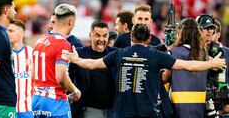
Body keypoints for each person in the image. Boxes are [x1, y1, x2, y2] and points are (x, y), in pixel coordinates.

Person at [67, 23, 226, 118]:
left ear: (131, 37)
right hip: (147, 112)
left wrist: (76, 60)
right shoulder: (156, 56)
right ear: (149, 39)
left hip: (122, 113)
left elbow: (92, 64)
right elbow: (188, 65)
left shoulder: (119, 54)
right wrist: (210, 63)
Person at [32, 3, 81, 118]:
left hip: (37, 100)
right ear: (70, 22)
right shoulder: (63, 43)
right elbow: (60, 77)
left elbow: (33, 74)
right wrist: (74, 90)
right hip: (55, 103)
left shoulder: (40, 41)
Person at [69, 20, 117, 118]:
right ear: (90, 35)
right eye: (97, 35)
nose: (101, 39)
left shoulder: (115, 54)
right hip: (89, 108)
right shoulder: (78, 54)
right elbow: (68, 77)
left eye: (105, 36)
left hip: (112, 109)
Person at [168, 18, 208, 118]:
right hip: (199, 108)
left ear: (180, 33)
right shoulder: (204, 55)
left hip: (177, 108)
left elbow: (164, 77)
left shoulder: (173, 53)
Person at [196, 14, 224, 118]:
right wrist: (211, 62)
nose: (209, 31)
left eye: (211, 28)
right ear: (198, 30)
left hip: (215, 99)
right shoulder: (191, 48)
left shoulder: (217, 49)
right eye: (206, 28)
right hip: (195, 96)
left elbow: (220, 66)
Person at [8, 19, 34, 118]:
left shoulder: (32, 53)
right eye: (7, 30)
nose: (8, 33)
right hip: (9, 109)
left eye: (11, 31)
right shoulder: (4, 53)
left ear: (21, 32)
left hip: (27, 110)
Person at [211, 19, 229, 116]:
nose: (209, 33)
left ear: (218, 34)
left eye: (212, 32)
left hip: (224, 103)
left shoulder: (228, 53)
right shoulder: (199, 53)